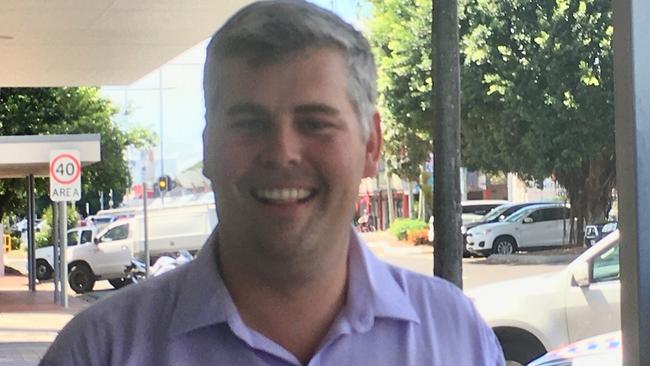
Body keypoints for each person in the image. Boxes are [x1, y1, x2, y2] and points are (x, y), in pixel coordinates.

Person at [40, 1, 505, 365]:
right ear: (208, 148)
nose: (282, 152)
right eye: (248, 123)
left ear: (371, 144)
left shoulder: (456, 336)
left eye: (316, 122)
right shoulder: (99, 352)